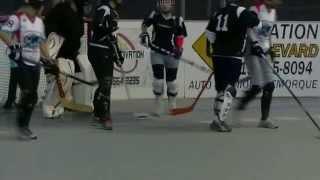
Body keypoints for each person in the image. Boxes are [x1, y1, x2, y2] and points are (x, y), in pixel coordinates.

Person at [205, 0, 263, 132]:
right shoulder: (240, 11)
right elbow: (258, 25)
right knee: (230, 89)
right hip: (233, 56)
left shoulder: (218, 12)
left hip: (218, 55)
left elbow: (209, 34)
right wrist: (253, 16)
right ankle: (220, 120)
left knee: (221, 89)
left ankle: (216, 119)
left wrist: (219, 46)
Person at [0, 0, 54, 140]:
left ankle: (24, 125)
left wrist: (48, 58)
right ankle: (22, 126)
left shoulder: (39, 22)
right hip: (19, 63)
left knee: (33, 96)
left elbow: (41, 41)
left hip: (34, 64)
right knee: (28, 91)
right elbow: (3, 32)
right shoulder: (17, 18)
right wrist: (13, 46)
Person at [237, 0, 282, 129]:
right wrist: (255, 44)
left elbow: (269, 33)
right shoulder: (255, 9)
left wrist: (271, 48)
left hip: (265, 50)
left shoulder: (273, 12)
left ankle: (264, 120)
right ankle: (242, 102)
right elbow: (249, 29)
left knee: (269, 85)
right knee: (257, 86)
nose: (277, 3)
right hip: (253, 51)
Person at [140, 0, 187, 116]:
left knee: (172, 83)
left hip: (172, 54)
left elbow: (180, 36)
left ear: (172, 4)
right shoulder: (155, 16)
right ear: (159, 4)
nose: (165, 4)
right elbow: (144, 25)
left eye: (167, 2)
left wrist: (179, 49)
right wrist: (144, 35)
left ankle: (172, 104)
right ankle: (158, 103)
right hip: (157, 52)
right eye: (163, 2)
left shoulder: (178, 20)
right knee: (158, 81)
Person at [42, 0, 85, 118]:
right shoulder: (63, 11)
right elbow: (51, 34)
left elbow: (78, 33)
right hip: (62, 53)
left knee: (63, 81)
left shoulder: (71, 13)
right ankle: (52, 106)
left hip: (67, 53)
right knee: (60, 80)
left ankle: (58, 105)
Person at [88, 0, 124, 130]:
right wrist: (110, 28)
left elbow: (112, 37)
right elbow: (96, 25)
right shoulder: (104, 8)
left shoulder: (113, 12)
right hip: (98, 50)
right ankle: (104, 116)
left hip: (105, 50)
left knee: (104, 83)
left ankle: (98, 113)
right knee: (106, 83)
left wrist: (118, 55)